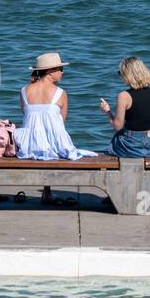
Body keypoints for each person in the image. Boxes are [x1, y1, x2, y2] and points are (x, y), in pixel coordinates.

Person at [15, 52, 92, 205]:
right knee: (53, 142)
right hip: (54, 145)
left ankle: (47, 192)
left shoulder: (24, 91)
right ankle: (47, 192)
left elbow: (25, 114)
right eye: (60, 69)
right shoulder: (61, 93)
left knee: (44, 140)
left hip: (29, 145)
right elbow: (61, 121)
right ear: (50, 71)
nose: (63, 72)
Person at [99, 56, 150, 157]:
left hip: (132, 146)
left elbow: (117, 126)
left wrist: (107, 112)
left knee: (115, 141)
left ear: (127, 75)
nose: (120, 76)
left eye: (121, 73)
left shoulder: (124, 96)